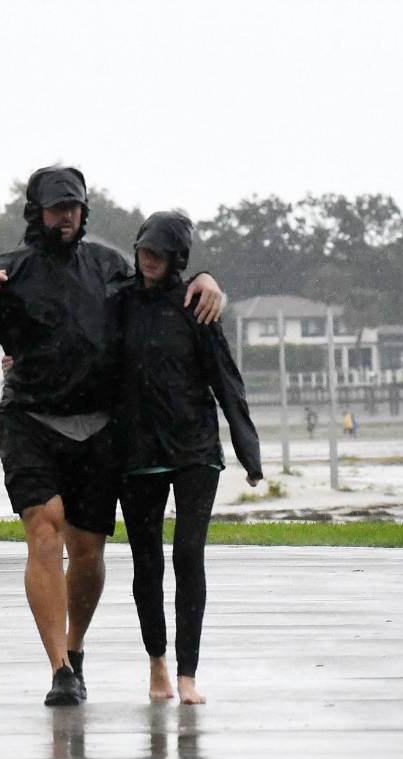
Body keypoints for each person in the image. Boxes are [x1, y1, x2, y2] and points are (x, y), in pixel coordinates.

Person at [0, 166, 225, 707]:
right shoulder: (4, 273)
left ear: (84, 210)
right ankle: (59, 668)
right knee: (45, 529)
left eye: (74, 207)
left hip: (98, 426)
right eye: (56, 207)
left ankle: (77, 650)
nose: (66, 216)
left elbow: (161, 286)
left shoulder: (111, 267)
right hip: (31, 421)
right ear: (35, 212)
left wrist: (203, 278)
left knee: (87, 550)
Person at [112, 211, 263, 705]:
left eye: (159, 253)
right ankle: (156, 662)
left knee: (188, 555)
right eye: (144, 250)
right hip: (137, 452)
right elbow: (78, 346)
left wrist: (248, 452)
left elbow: (226, 380)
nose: (149, 260)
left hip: (196, 450)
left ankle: (188, 674)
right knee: (147, 560)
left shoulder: (196, 306)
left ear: (177, 258)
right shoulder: (119, 304)